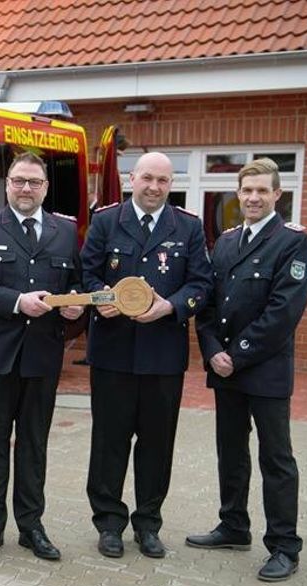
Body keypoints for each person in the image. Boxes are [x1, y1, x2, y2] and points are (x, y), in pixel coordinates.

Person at [188, 158, 307, 582]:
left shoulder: (292, 242)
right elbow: (206, 305)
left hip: (264, 370)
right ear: (238, 195)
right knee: (231, 452)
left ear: (278, 194)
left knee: (276, 459)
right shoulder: (224, 243)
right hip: (225, 369)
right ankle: (233, 526)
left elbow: (283, 313)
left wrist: (234, 355)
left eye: (262, 191)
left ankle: (284, 545)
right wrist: (211, 351)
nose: (254, 198)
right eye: (247, 191)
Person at [81, 152, 213, 559]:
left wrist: (170, 307)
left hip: (162, 354)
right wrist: (102, 299)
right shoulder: (105, 220)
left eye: (163, 181)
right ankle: (108, 524)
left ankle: (148, 523)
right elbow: (86, 272)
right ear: (131, 178)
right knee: (109, 442)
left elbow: (201, 283)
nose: (155, 187)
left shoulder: (187, 226)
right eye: (148, 178)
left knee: (157, 444)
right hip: (113, 352)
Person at [0, 152, 85, 560]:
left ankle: (31, 527)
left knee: (34, 446)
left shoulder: (66, 231)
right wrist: (16, 302)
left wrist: (76, 308)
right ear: (6, 184)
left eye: (34, 182)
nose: (25, 188)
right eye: (18, 181)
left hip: (42, 358)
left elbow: (77, 285)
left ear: (46, 187)